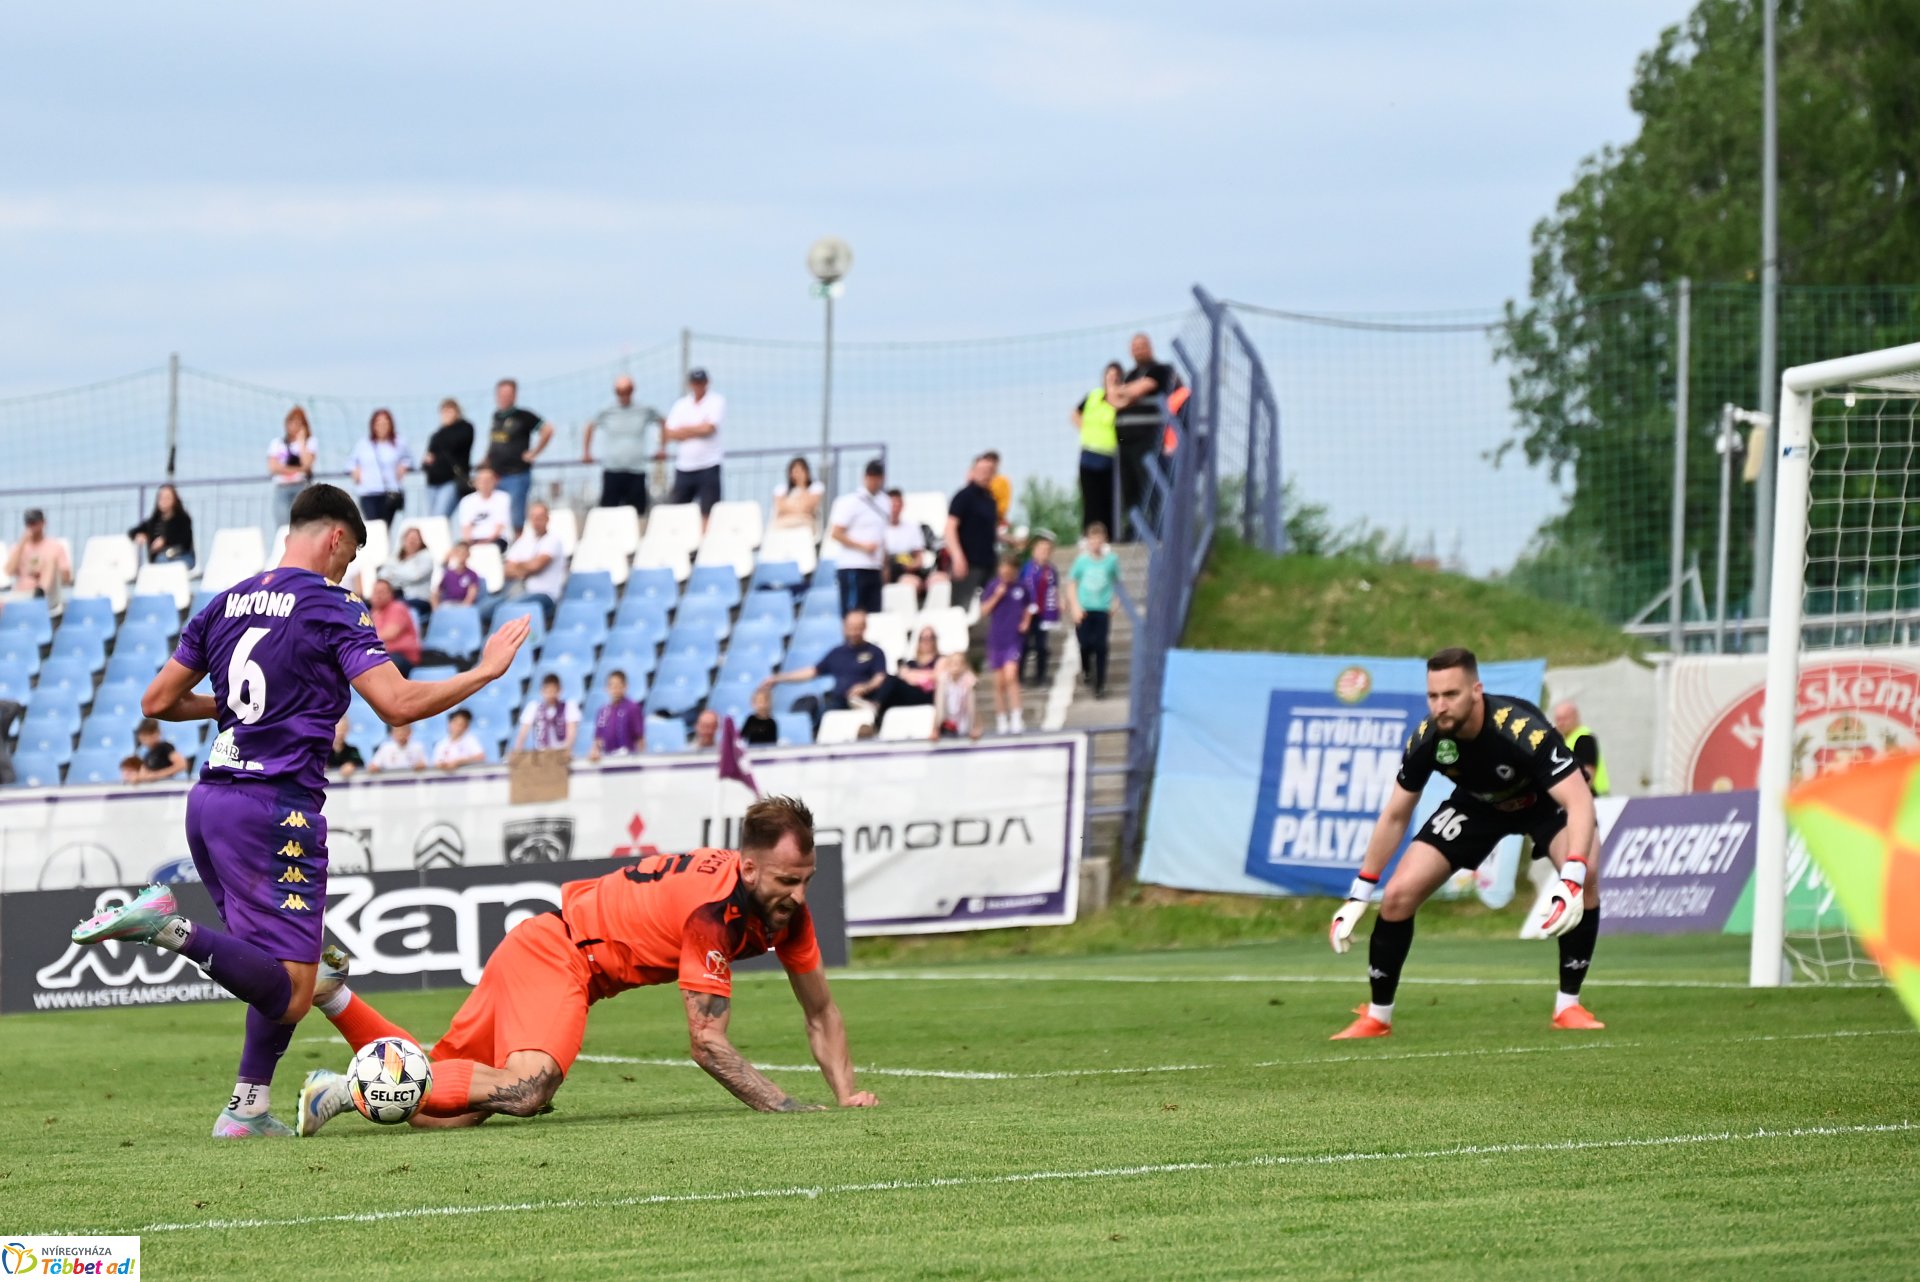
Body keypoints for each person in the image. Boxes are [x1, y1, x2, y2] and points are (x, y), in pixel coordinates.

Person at [66, 483, 531, 1138]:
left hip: (210, 804)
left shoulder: (224, 603)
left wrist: (227, 707)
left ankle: (247, 1109)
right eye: (348, 558)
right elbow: (396, 705)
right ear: (337, 536)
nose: (347, 572)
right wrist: (484, 673)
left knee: (289, 970)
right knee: (289, 987)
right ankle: (167, 928)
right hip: (275, 809)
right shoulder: (330, 605)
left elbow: (157, 701)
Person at [295, 796, 875, 1133]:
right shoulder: (714, 911)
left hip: (547, 946)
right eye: (787, 881)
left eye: (807, 881)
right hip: (559, 956)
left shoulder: (784, 914)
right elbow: (707, 1045)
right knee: (527, 1090)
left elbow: (821, 1011)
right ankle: (351, 1088)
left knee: (445, 1114)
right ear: (749, 869)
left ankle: (334, 995)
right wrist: (788, 1107)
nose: (800, 896)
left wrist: (845, 1094)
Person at [1328, 648, 1605, 1040]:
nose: (1440, 706)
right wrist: (1359, 893)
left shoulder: (1520, 729)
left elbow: (1579, 800)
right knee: (1397, 896)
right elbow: (1394, 815)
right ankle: (1377, 1017)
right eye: (1433, 696)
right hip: (1477, 807)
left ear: (1476, 691)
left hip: (1542, 801)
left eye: (1451, 695)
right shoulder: (1428, 738)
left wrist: (1573, 876)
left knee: (1589, 874)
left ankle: (1568, 1007)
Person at [1109, 334, 1181, 542]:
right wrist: (1124, 393)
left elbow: (1140, 389)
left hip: (1150, 437)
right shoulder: (1130, 375)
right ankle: (1135, 530)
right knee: (1130, 488)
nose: (1138, 350)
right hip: (1125, 441)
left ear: (1150, 347)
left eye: (1142, 346)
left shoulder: (1161, 370)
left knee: (1152, 484)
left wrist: (1122, 392)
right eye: (1135, 347)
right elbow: (1114, 399)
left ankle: (1159, 530)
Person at [759, 610, 887, 716]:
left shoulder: (875, 652)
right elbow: (812, 672)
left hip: (865, 700)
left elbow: (880, 677)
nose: (853, 632)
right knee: (821, 711)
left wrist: (864, 688)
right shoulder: (836, 653)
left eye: (857, 628)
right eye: (850, 628)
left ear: (864, 627)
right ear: (844, 627)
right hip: (840, 702)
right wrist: (779, 678)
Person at [583, 375, 662, 517]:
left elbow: (663, 422)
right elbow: (589, 426)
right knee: (608, 513)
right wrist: (586, 452)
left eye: (627, 390)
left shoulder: (644, 409)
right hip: (612, 469)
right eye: (620, 391)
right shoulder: (606, 410)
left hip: (637, 469)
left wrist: (662, 448)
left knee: (638, 514)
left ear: (633, 390)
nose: (624, 395)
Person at [486, 379, 554, 532]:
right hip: (496, 476)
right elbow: (493, 445)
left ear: (514, 396)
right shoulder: (496, 417)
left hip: (517, 475)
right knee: (497, 518)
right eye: (501, 394)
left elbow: (548, 430)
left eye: (507, 394)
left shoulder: (524, 416)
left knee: (516, 518)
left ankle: (519, 549)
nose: (503, 397)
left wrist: (535, 452)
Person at [827, 458, 890, 616]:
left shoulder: (885, 502)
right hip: (853, 565)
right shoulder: (850, 502)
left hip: (874, 567)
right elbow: (836, 533)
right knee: (853, 615)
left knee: (874, 615)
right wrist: (862, 547)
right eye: (872, 476)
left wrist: (885, 563)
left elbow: (884, 536)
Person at [1067, 522, 1119, 699]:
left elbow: (1117, 582)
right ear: (1088, 541)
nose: (1096, 543)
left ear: (1104, 541)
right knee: (1085, 644)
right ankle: (1087, 669)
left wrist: (1115, 602)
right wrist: (1075, 606)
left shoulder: (1111, 560)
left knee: (1101, 646)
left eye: (1099, 540)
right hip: (1084, 609)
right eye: (1092, 540)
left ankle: (1100, 684)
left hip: (1102, 608)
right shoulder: (1082, 561)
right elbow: (1072, 584)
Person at [980, 555, 1031, 735]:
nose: (1005, 574)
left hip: (1013, 639)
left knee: (1011, 676)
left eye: (1009, 571)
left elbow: (1029, 607)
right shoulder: (993, 586)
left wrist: (1025, 621)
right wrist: (997, 595)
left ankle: (1017, 716)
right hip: (996, 639)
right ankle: (1002, 718)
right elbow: (984, 610)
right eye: (1003, 569)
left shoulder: (1021, 588)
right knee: (999, 682)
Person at [663, 368, 725, 515]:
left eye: (701, 382)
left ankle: (706, 537)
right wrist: (697, 428)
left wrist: (683, 431)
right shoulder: (681, 404)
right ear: (690, 384)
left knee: (709, 511)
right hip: (684, 467)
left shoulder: (716, 401)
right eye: (695, 382)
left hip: (709, 464)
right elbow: (669, 432)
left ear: (707, 383)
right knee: (678, 511)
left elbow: (709, 428)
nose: (698, 385)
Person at [1072, 363, 1123, 537]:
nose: (1112, 379)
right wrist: (1084, 429)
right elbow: (1075, 413)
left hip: (1109, 455)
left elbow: (1118, 407)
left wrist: (1114, 392)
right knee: (1091, 500)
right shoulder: (1093, 396)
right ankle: (1089, 536)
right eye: (1109, 375)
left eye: (1116, 376)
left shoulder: (1119, 399)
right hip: (1089, 453)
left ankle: (1108, 536)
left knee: (1108, 499)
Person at [944, 454, 1000, 609]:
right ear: (973, 471)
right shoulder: (963, 496)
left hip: (989, 563)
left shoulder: (990, 500)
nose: (985, 474)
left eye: (989, 470)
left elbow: (989, 532)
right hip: (968, 564)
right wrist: (957, 557)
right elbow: (949, 528)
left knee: (993, 604)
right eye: (981, 470)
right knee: (961, 608)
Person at [501, 501, 567, 625]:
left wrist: (519, 566)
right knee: (487, 608)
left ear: (547, 518)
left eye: (540, 517)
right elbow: (507, 570)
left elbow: (536, 566)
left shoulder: (553, 541)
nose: (536, 521)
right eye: (533, 517)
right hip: (522, 592)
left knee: (508, 609)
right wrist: (526, 568)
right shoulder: (524, 541)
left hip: (546, 595)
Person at [347, 408, 415, 525]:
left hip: (390, 492)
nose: (382, 426)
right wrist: (355, 471)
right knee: (374, 525)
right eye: (379, 423)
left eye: (385, 423)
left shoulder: (399, 443)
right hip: (368, 491)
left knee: (385, 526)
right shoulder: (364, 444)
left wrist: (404, 466)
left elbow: (410, 460)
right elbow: (350, 462)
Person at [869, 626, 940, 730]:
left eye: (930, 637)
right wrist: (924, 675)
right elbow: (903, 675)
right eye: (923, 638)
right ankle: (876, 720)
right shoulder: (911, 662)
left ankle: (876, 706)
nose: (926, 641)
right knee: (890, 684)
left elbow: (938, 676)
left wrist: (912, 675)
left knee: (892, 681)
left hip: (927, 695)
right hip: (909, 694)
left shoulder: (940, 660)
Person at [5, 509, 73, 608]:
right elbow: (8, 571)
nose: (32, 527)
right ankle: (37, 595)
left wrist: (44, 571)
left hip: (48, 596)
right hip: (23, 593)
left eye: (34, 523)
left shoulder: (55, 546)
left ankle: (40, 592)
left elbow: (66, 578)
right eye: (29, 523)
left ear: (43, 523)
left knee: (50, 560)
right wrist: (22, 543)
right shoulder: (18, 547)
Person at [421, 398, 475, 520]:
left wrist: (447, 429)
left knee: (439, 517)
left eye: (449, 411)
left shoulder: (465, 428)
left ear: (457, 411)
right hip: (433, 483)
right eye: (443, 411)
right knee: (431, 519)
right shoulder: (436, 434)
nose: (446, 414)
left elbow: (454, 443)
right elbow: (429, 456)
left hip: (451, 481)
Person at [1019, 535, 1061, 687]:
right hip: (1028, 612)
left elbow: (1054, 589)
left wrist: (1058, 604)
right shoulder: (1026, 568)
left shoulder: (1051, 571)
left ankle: (1041, 676)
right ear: (1033, 551)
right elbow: (1021, 587)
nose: (1043, 552)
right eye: (1040, 549)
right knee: (1023, 645)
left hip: (1044, 613)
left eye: (1046, 550)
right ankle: (1019, 676)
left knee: (1041, 645)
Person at [268, 407, 317, 531]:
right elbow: (273, 467)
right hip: (282, 488)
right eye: (291, 422)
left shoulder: (309, 442)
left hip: (301, 487)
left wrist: (301, 442)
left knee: (303, 525)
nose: (294, 426)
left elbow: (307, 465)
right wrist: (297, 469)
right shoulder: (277, 443)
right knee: (283, 526)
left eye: (298, 422)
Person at [129, 483, 195, 568]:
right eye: (161, 498)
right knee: (159, 560)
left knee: (162, 560)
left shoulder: (183, 519)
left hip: (182, 556)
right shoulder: (152, 522)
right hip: (159, 560)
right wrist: (140, 535)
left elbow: (185, 541)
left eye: (167, 497)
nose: (164, 500)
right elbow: (132, 532)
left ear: (174, 500)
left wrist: (165, 541)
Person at [1552, 701, 1610, 796]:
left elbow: (1588, 775)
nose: (1561, 723)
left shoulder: (1583, 738)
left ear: (1575, 716)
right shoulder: (1567, 739)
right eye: (1558, 719)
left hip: (1594, 797)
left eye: (1565, 718)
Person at [883, 489, 932, 599]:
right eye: (891, 505)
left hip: (908, 570)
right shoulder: (877, 529)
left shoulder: (912, 528)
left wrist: (910, 565)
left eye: (897, 504)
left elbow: (919, 558)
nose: (894, 508)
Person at [367, 578, 421, 676]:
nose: (378, 595)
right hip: (382, 655)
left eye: (382, 592)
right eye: (375, 592)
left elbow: (390, 633)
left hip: (403, 657)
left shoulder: (397, 608)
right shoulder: (373, 613)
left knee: (380, 666)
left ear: (390, 594)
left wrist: (364, 639)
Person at [514, 673, 579, 754]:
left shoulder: (569, 706)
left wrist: (564, 750)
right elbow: (523, 732)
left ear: (559, 690)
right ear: (542, 691)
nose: (551, 694)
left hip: (561, 754)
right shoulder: (533, 707)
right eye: (548, 691)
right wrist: (518, 751)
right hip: (541, 755)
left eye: (553, 691)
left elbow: (571, 733)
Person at [381, 527, 437, 621]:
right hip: (397, 596)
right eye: (410, 538)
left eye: (415, 539)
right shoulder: (395, 557)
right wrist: (401, 573)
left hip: (419, 600)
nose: (412, 541)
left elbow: (415, 576)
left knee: (396, 607)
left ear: (421, 541)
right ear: (404, 540)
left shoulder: (426, 557)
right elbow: (382, 576)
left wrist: (394, 573)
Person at [454, 464, 514, 550]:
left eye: (488, 480)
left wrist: (485, 543)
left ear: (495, 481)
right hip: (473, 540)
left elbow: (500, 526)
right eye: (481, 481)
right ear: (475, 482)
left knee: (489, 549)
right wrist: (470, 543)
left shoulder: (503, 498)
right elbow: (466, 528)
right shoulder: (466, 501)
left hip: (497, 539)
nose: (484, 484)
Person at [589, 670, 645, 759]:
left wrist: (640, 758)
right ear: (606, 688)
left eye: (619, 685)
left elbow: (640, 738)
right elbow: (598, 738)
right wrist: (594, 751)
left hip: (629, 759)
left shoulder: (633, 708)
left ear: (625, 686)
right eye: (612, 686)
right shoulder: (603, 711)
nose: (615, 689)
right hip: (608, 759)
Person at [932, 652, 981, 741]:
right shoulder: (943, 680)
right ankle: (937, 728)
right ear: (948, 666)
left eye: (959, 663)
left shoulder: (968, 679)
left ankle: (974, 727)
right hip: (947, 722)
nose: (956, 666)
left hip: (963, 721)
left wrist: (975, 726)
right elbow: (939, 705)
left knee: (971, 695)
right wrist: (935, 729)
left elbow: (973, 707)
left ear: (964, 666)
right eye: (953, 663)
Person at [125, 717, 187, 783]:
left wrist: (157, 775)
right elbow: (145, 773)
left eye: (149, 735)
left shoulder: (165, 747)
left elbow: (181, 765)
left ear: (157, 733)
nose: (147, 740)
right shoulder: (147, 754)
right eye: (144, 737)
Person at [771, 456, 824, 533]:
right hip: (784, 523)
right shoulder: (782, 489)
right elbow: (780, 508)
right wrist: (800, 510)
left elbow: (807, 507)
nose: (798, 475)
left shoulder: (816, 487)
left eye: (801, 471)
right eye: (795, 471)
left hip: (805, 525)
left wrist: (801, 487)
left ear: (806, 472)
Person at [433, 541, 483, 611]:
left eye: (464, 553)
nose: (461, 555)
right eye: (459, 552)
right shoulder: (447, 573)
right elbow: (436, 592)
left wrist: (461, 610)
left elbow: (470, 597)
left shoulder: (472, 575)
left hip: (462, 607)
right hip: (446, 606)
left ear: (468, 554)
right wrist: (436, 610)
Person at [982, 450, 1013, 530]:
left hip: (996, 522)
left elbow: (1003, 507)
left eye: (992, 462)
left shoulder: (1002, 481)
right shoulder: (978, 483)